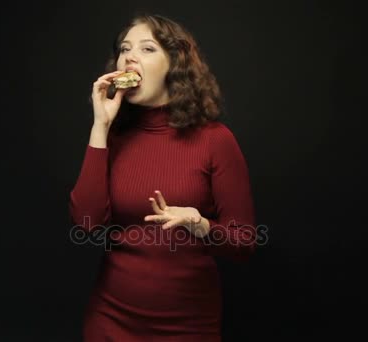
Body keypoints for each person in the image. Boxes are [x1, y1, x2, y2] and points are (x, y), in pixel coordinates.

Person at [68, 13, 257, 341]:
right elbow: (88, 225)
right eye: (125, 49)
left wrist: (200, 225)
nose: (129, 56)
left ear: (175, 64)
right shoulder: (113, 138)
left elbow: (244, 243)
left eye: (147, 49)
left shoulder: (215, 140)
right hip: (110, 320)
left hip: (187, 324)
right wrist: (100, 126)